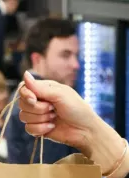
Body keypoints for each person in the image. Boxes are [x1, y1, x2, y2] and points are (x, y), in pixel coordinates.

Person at [5, 18, 79, 165]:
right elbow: (54, 173)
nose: (75, 64)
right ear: (37, 59)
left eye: (76, 55)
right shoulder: (42, 103)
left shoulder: (21, 93)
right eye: (65, 55)